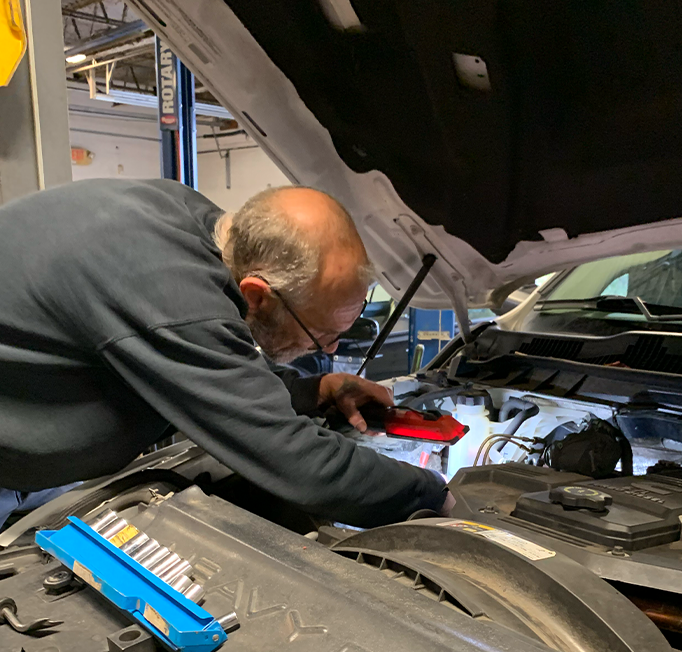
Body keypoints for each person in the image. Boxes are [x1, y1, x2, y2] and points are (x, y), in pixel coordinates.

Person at [0, 179, 452, 530]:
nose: (331, 350)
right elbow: (296, 464)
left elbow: (214, 362)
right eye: (320, 336)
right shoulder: (166, 290)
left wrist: (312, 390)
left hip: (36, 461)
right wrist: (434, 495)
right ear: (256, 295)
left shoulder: (199, 225)